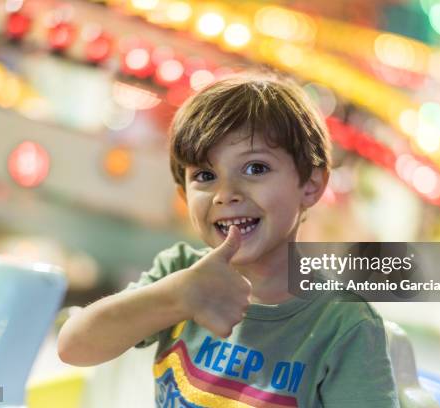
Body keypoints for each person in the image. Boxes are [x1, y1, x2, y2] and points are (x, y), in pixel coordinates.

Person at [58, 73, 399, 407]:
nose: (226, 194)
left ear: (310, 185)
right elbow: (74, 347)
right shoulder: (180, 272)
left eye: (255, 169)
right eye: (205, 176)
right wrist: (178, 296)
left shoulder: (343, 325)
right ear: (183, 193)